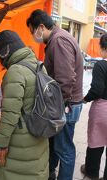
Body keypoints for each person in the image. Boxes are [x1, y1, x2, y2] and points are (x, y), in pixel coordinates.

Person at [27, 9, 83, 180]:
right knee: (57, 145)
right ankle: (51, 173)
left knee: (64, 149)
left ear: (41, 27)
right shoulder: (58, 38)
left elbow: (65, 80)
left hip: (67, 104)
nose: (33, 35)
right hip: (67, 103)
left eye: (32, 31)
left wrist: (56, 106)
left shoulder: (58, 41)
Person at [0, 30, 49, 180]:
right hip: (39, 134)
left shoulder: (15, 71)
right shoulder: (38, 64)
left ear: (5, 52)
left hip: (20, 143)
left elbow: (10, 115)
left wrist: (1, 144)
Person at [80, 34, 107, 180]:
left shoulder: (101, 65)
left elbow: (96, 89)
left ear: (103, 47)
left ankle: (91, 172)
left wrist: (85, 99)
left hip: (103, 109)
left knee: (96, 142)